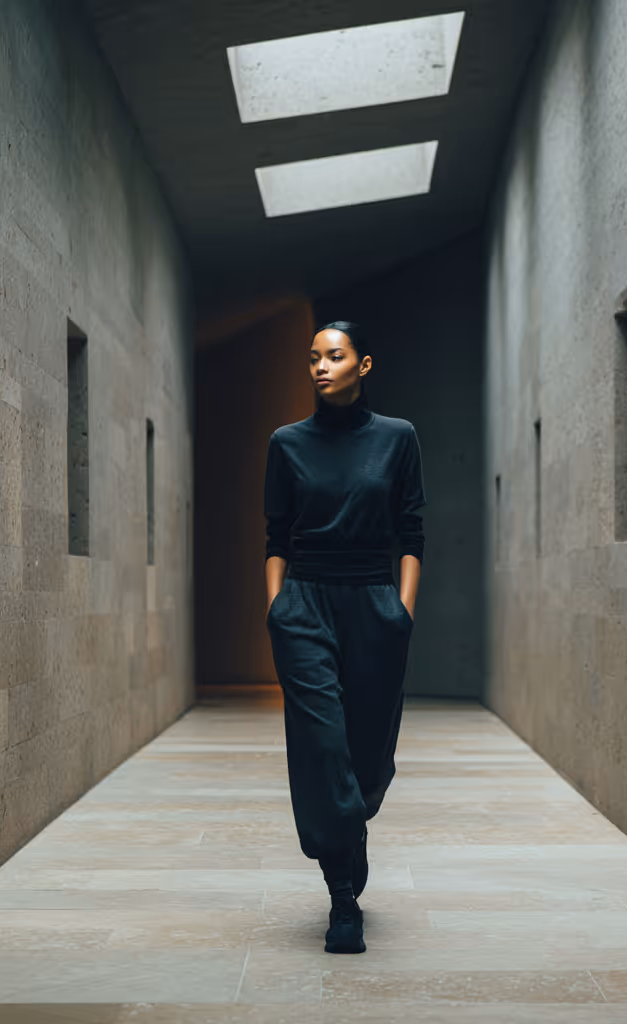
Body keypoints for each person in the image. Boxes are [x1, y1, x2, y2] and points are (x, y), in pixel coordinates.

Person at [263, 320, 425, 954]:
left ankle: (348, 834)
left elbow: (410, 535)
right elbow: (275, 537)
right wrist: (276, 606)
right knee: (323, 744)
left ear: (362, 366)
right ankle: (343, 898)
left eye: (334, 356)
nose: (321, 367)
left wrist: (402, 612)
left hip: (374, 607)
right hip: (304, 603)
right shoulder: (287, 444)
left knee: (365, 760)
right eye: (312, 358)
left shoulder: (398, 439)